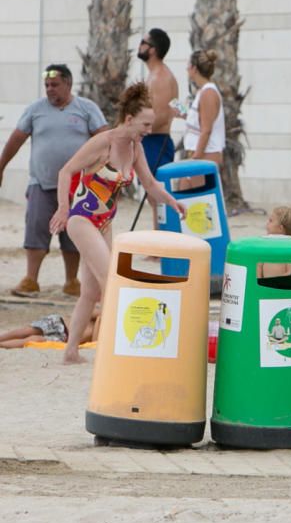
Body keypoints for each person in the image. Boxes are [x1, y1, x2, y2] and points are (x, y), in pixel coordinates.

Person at [49, 82, 186, 364]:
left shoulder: (136, 148)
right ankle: (115, 349)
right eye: (145, 124)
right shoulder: (105, 142)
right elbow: (66, 171)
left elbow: (149, 183)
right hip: (82, 219)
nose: (149, 130)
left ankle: (71, 351)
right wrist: (63, 208)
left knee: (91, 291)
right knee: (112, 280)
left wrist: (172, 202)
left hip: (104, 223)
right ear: (128, 119)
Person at [0, 64, 108, 298]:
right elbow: (15, 140)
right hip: (42, 182)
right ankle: (31, 280)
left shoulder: (86, 109)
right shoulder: (35, 110)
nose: (50, 89)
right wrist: (1, 166)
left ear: (68, 84)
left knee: (73, 234)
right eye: (47, 85)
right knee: (36, 229)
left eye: (55, 85)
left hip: (78, 186)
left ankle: (71, 280)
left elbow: (105, 138)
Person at [175, 49, 225, 190]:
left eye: (188, 66)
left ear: (194, 69)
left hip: (205, 155)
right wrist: (184, 114)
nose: (186, 69)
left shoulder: (208, 93)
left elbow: (206, 130)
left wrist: (196, 158)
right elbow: (201, 121)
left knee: (201, 204)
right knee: (185, 198)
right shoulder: (202, 92)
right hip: (197, 154)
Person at [138, 29, 179, 176]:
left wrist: (135, 132)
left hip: (156, 142)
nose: (139, 45)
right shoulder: (158, 75)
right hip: (152, 142)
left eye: (143, 42)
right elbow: (176, 106)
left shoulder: (160, 77)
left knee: (157, 195)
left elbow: (161, 117)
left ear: (153, 50)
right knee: (155, 196)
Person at [0, 308, 100, 349]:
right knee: (27, 331)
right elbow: (84, 311)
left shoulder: (106, 330)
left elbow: (94, 342)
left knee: (34, 339)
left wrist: (100, 322)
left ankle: (1, 345)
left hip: (65, 338)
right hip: (60, 322)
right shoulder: (100, 313)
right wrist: (101, 316)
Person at [257, 206, 291, 279]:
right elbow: (258, 268)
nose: (267, 224)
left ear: (280, 228)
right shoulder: (267, 248)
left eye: (270, 221)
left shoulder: (290, 249)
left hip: (281, 287)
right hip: (266, 287)